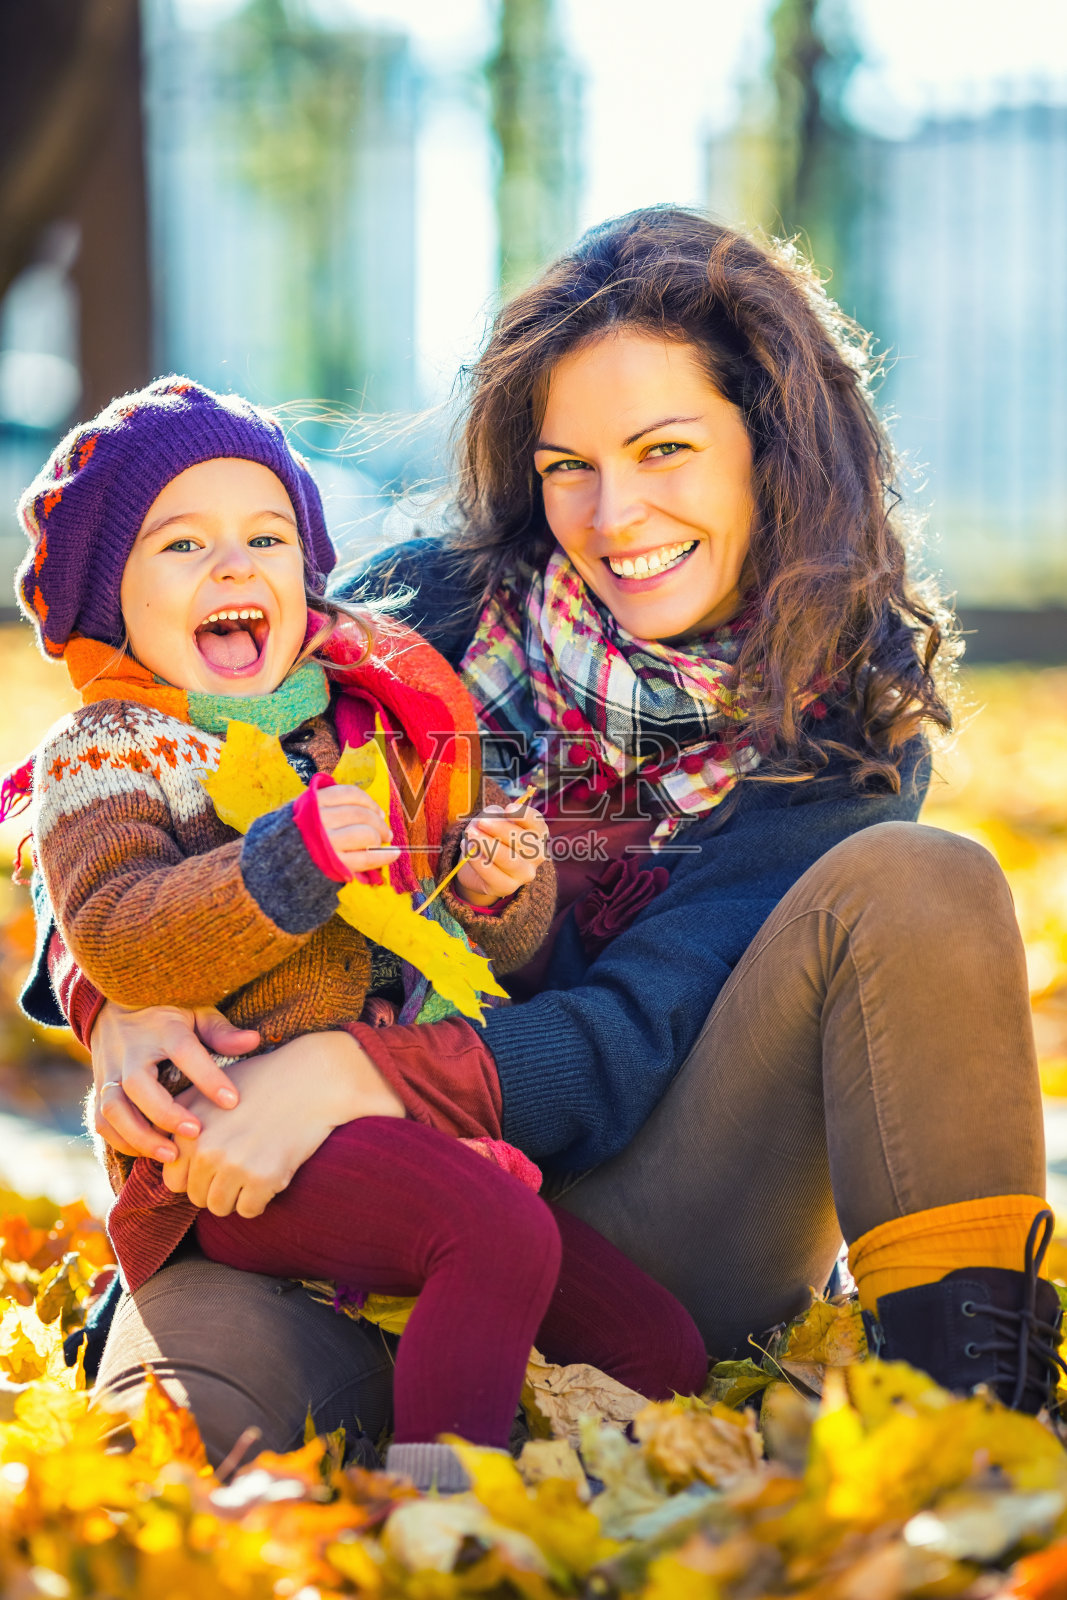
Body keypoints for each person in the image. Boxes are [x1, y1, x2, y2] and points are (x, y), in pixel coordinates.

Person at [21, 210, 1060, 1462]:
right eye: (569, 463)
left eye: (664, 448)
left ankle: (975, 1433)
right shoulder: (422, 617)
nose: (614, 514)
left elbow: (636, 1031)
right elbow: (157, 773)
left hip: (640, 1233)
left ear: (770, 449)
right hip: (325, 1200)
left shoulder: (832, 736)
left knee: (923, 880)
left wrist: (363, 1070)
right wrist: (114, 1005)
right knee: (164, 1464)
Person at [13, 376, 707, 1486]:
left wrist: (494, 885)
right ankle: (438, 1515)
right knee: (493, 1232)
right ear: (109, 595)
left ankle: (589, 1501)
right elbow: (120, 934)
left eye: (266, 538)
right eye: (183, 545)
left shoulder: (367, 717)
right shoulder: (108, 752)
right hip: (221, 1146)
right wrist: (284, 863)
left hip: (394, 1110)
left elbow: (459, 941)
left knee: (653, 1346)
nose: (234, 567)